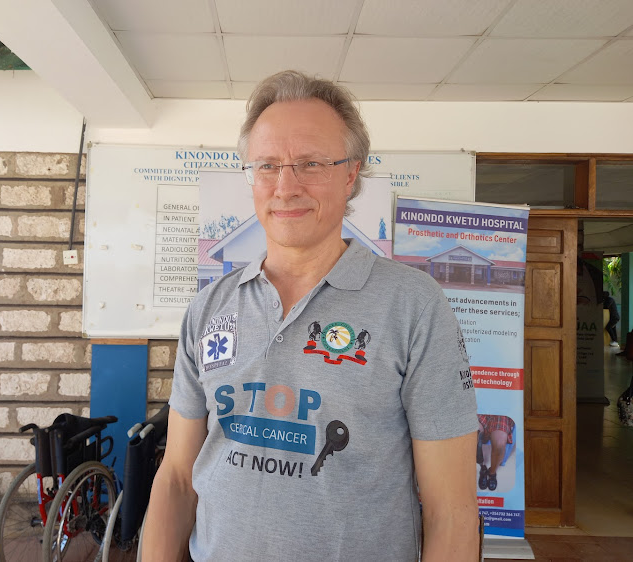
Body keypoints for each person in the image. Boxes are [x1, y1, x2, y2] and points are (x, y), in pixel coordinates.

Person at [142, 70, 479, 561]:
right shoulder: (208, 308)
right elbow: (176, 478)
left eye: (311, 163)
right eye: (268, 165)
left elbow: (452, 510)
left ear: (350, 175)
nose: (286, 186)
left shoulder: (413, 306)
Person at [476, 414, 515, 492]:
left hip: (501, 414)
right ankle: (483, 468)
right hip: (477, 411)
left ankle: (492, 473)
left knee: (499, 445)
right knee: (471, 437)